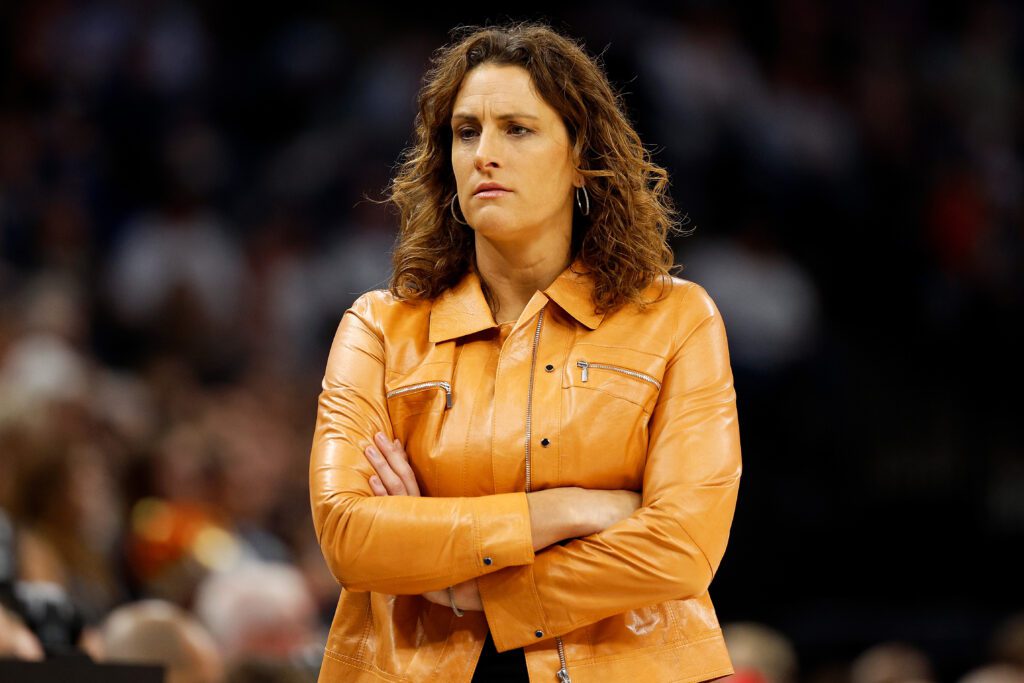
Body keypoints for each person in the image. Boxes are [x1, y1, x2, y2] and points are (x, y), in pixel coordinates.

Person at [309, 21, 742, 683]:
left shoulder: (677, 318)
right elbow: (348, 534)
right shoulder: (378, 326)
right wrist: (565, 510)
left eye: (517, 129)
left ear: (580, 158)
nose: (484, 153)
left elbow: (682, 546)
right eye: (466, 131)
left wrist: (467, 584)